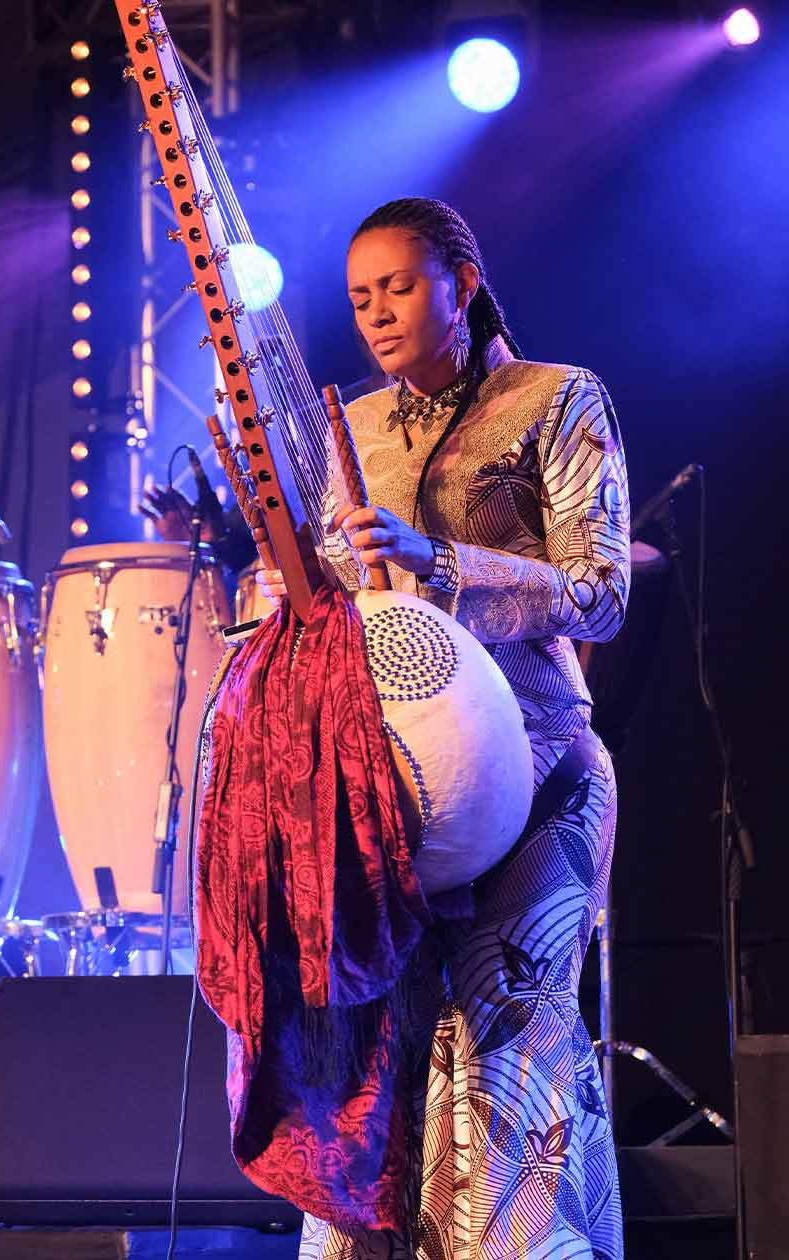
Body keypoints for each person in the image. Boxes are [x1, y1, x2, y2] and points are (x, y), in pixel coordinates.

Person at [255, 197, 630, 1260]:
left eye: (401, 286)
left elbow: (602, 596)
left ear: (461, 284)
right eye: (360, 297)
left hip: (542, 767)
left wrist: (442, 564)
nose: (377, 313)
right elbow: (339, 612)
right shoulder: (355, 431)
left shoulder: (555, 399)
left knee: (514, 1045)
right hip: (399, 794)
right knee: (385, 1063)